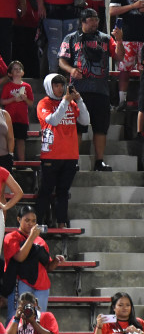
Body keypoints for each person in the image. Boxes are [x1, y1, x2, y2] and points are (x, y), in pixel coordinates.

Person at [36, 72, 91, 228]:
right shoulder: (43, 103)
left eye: (62, 85)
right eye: (56, 85)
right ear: (49, 86)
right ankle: (38, 223)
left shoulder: (71, 103)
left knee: (63, 192)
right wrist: (65, 102)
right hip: (51, 155)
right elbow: (53, 120)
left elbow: (85, 120)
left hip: (70, 155)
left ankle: (61, 223)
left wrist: (79, 100)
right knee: (45, 191)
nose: (60, 89)